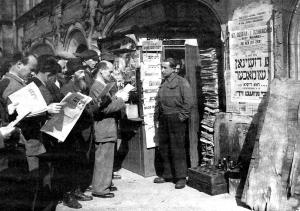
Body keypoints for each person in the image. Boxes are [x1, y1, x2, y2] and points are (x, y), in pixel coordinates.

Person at [89, 60, 128, 198]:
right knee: (103, 159)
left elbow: (107, 104)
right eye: (110, 71)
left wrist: (117, 98)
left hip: (107, 127)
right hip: (103, 127)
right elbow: (104, 109)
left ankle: (105, 184)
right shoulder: (97, 86)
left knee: (107, 158)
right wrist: (121, 100)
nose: (111, 74)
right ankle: (100, 188)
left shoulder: (101, 85)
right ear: (101, 70)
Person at [153, 58, 193, 189]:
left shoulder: (182, 82)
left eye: (165, 68)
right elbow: (159, 101)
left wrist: (181, 117)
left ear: (173, 68)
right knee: (164, 147)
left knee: (177, 148)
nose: (162, 70)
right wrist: (157, 118)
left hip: (176, 118)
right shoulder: (163, 83)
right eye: (161, 67)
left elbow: (188, 102)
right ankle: (168, 174)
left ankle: (181, 177)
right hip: (164, 118)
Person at [60, 59, 94, 209]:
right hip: (72, 131)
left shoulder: (81, 84)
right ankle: (69, 195)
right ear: (72, 72)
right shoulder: (68, 87)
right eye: (79, 71)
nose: (83, 73)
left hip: (82, 128)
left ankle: (77, 190)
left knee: (80, 162)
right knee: (71, 164)